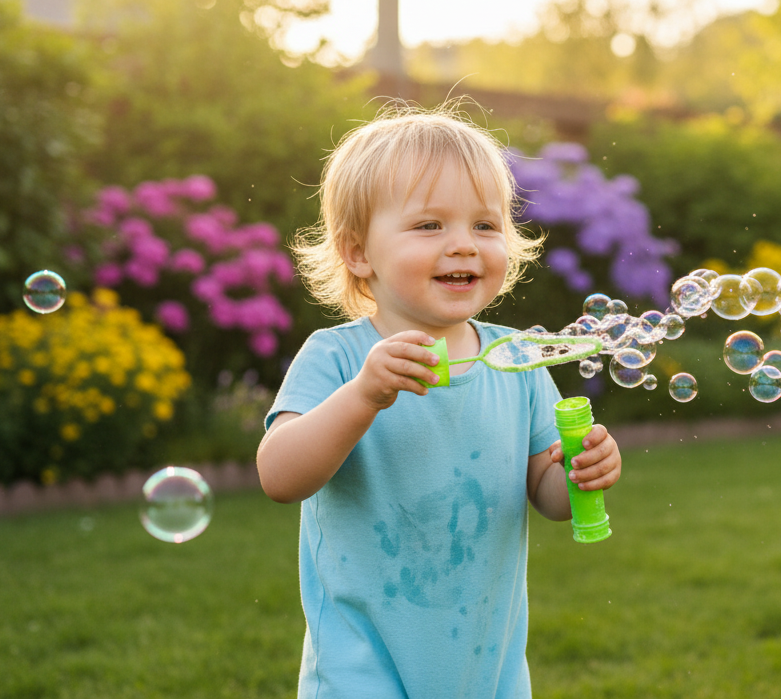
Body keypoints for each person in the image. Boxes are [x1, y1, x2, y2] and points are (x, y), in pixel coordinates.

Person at [257, 104, 622, 699]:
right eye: (429, 226)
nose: (463, 246)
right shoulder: (339, 360)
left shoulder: (517, 361)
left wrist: (583, 475)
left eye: (485, 225)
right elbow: (279, 475)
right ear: (358, 254)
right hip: (361, 673)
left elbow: (547, 495)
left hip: (487, 670)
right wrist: (365, 396)